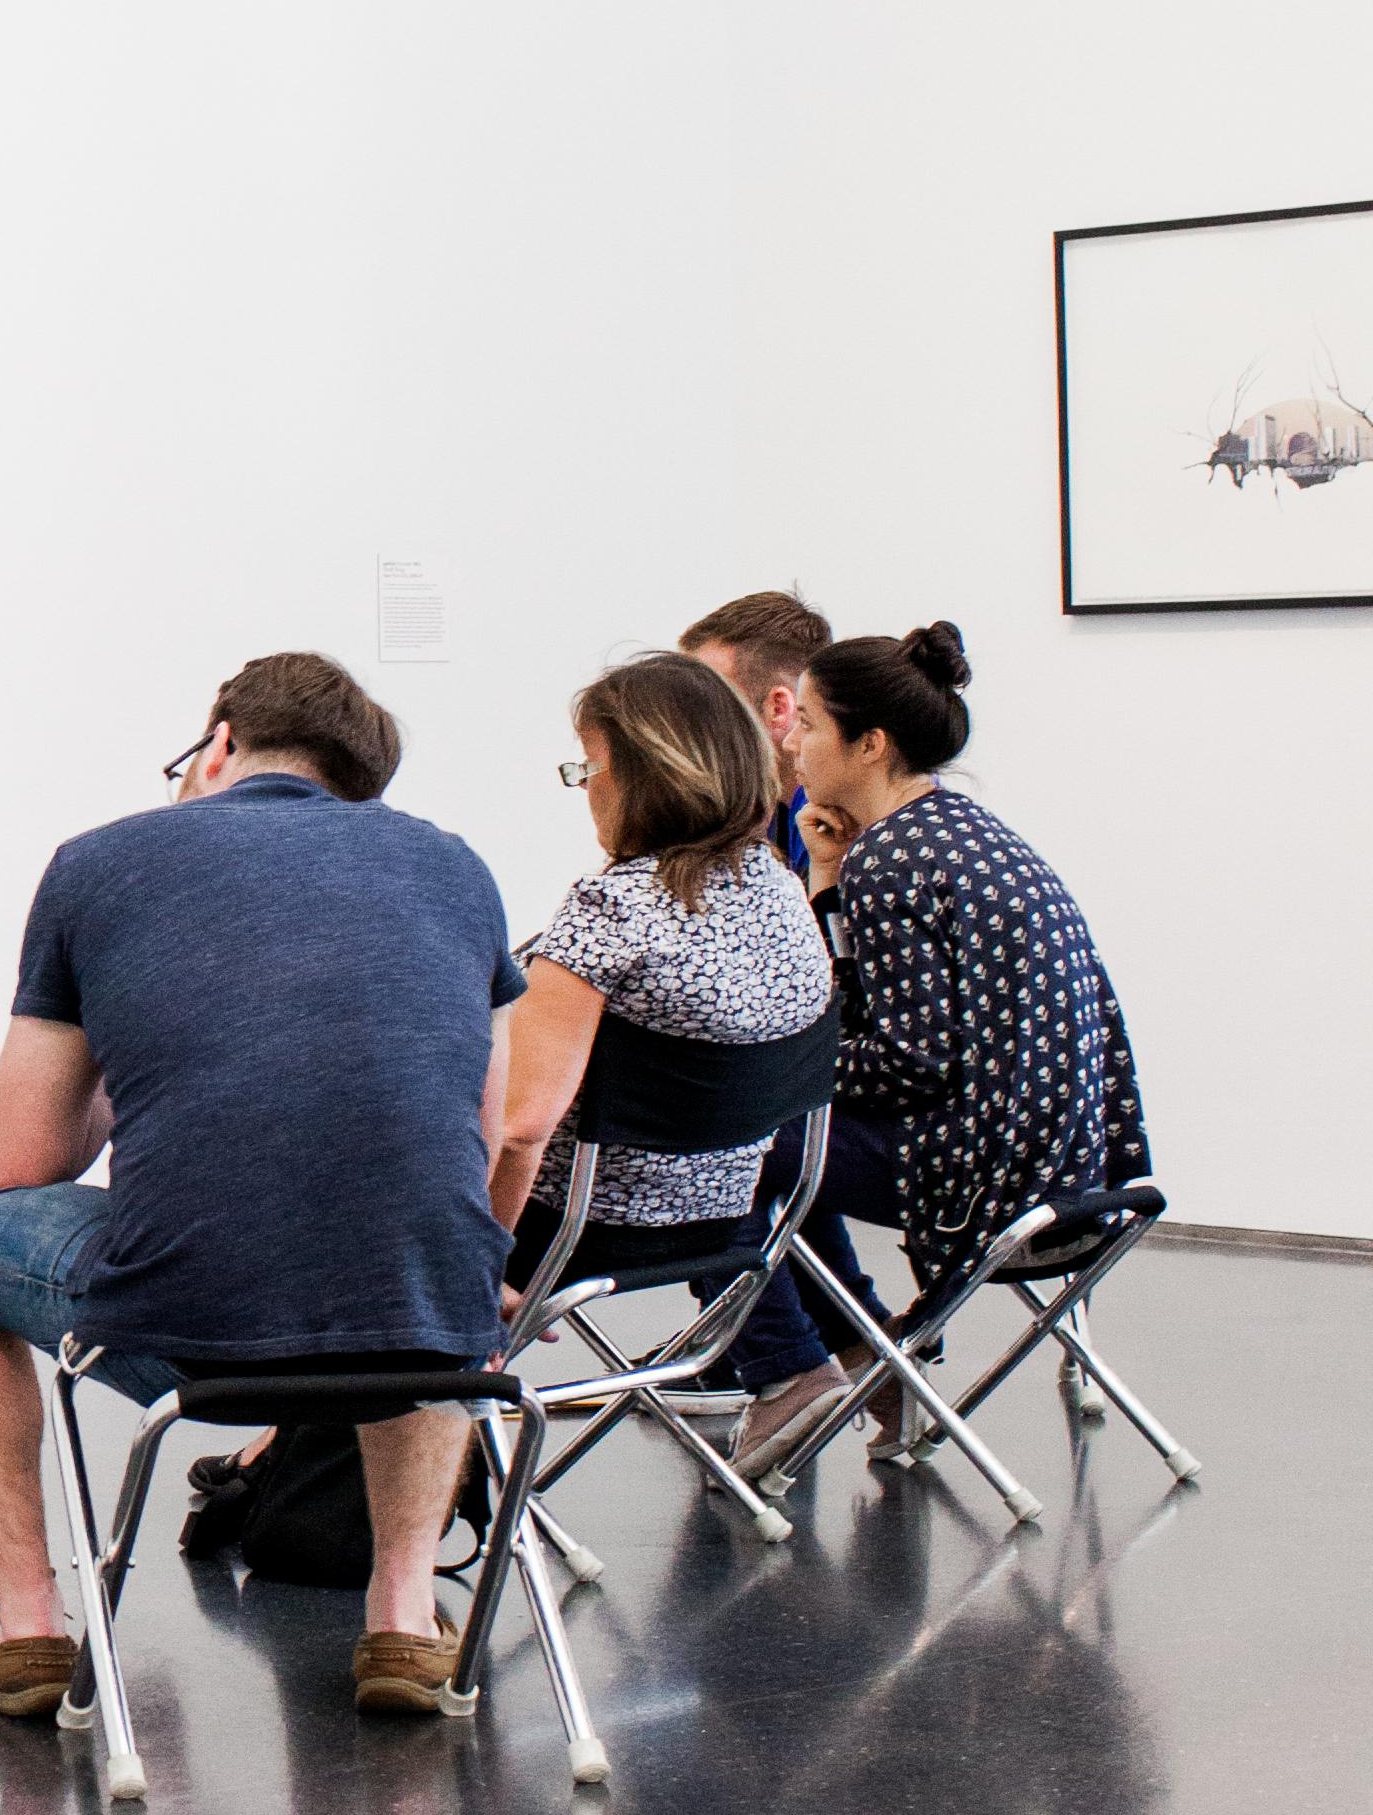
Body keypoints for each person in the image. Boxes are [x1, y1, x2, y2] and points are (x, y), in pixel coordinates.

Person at [0, 651, 521, 1726]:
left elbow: (25, 1162)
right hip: (431, 1330)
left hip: (187, 1332)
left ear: (220, 743)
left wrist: (122, 1063)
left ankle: (32, 1626)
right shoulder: (455, 869)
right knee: (411, 1244)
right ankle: (405, 1621)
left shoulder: (98, 863)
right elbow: (485, 1129)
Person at [724, 620, 1153, 1481]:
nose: (792, 744)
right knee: (783, 1140)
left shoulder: (893, 859)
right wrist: (825, 884)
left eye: (808, 724)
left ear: (870, 744)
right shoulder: (956, 832)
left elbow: (910, 1063)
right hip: (1076, 1175)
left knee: (726, 1149)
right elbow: (877, 1013)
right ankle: (869, 1359)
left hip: (976, 1179)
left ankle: (791, 1373)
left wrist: (767, 1065)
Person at [493, 651, 831, 1283]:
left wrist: (475, 1271)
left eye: (589, 767)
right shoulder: (782, 887)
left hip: (575, 1229)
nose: (586, 787)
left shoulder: (611, 911)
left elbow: (520, 1130)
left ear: (642, 774)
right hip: (722, 1225)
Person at [680, 589, 829, 877]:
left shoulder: (842, 821)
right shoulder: (767, 811)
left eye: (705, 702)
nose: (684, 725)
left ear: (777, 708)